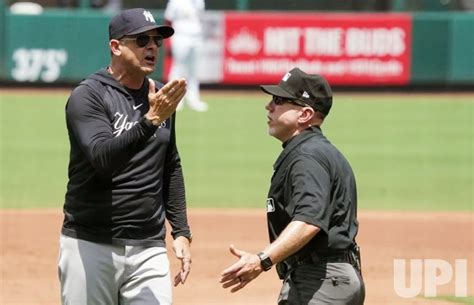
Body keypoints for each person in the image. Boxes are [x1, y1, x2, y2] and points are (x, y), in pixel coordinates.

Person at [58, 8, 193, 305]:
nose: (152, 47)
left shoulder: (158, 96)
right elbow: (103, 159)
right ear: (116, 46)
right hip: (91, 243)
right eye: (142, 40)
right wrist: (150, 121)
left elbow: (170, 165)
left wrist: (181, 231)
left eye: (157, 40)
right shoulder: (89, 96)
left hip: (149, 247)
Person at [220, 67, 365, 305]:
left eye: (279, 100)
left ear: (305, 114)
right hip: (324, 279)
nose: (269, 106)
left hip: (321, 282)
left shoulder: (307, 156)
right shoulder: (314, 151)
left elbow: (309, 220)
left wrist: (262, 260)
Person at [164, 0, 208, 112]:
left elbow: (200, 18)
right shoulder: (175, 2)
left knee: (194, 69)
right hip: (181, 36)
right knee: (178, 67)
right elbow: (168, 20)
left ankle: (193, 99)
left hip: (196, 36)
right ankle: (174, 99)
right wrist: (168, 40)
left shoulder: (199, 1)